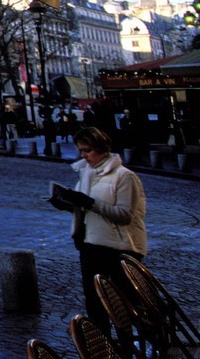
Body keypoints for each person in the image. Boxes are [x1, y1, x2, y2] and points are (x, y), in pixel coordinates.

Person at [52, 125, 146, 328]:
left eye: (88, 150)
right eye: (81, 150)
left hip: (120, 249)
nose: (84, 155)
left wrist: (88, 202)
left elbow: (124, 215)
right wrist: (67, 204)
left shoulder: (124, 176)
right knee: (95, 304)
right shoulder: (87, 174)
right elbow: (87, 210)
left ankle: (129, 347)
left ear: (102, 148)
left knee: (125, 306)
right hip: (90, 244)